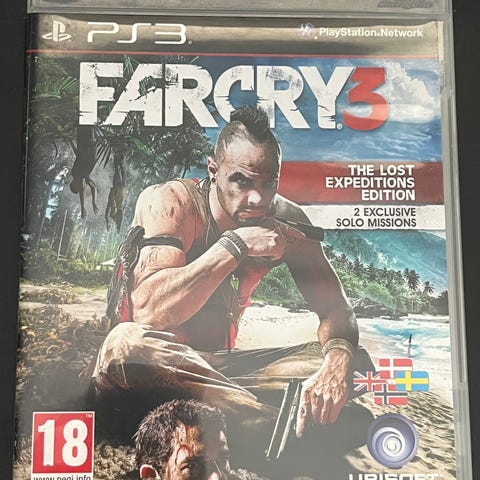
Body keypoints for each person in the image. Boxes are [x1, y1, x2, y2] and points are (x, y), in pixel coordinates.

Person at [92, 105, 373, 469]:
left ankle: (250, 417)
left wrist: (336, 362)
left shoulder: (286, 219)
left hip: (218, 373)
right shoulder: (170, 202)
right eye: (241, 181)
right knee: (125, 343)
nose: (256, 198)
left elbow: (336, 308)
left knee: (356, 361)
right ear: (213, 170)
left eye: (268, 183)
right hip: (148, 373)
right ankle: (268, 426)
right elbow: (149, 312)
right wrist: (236, 245)